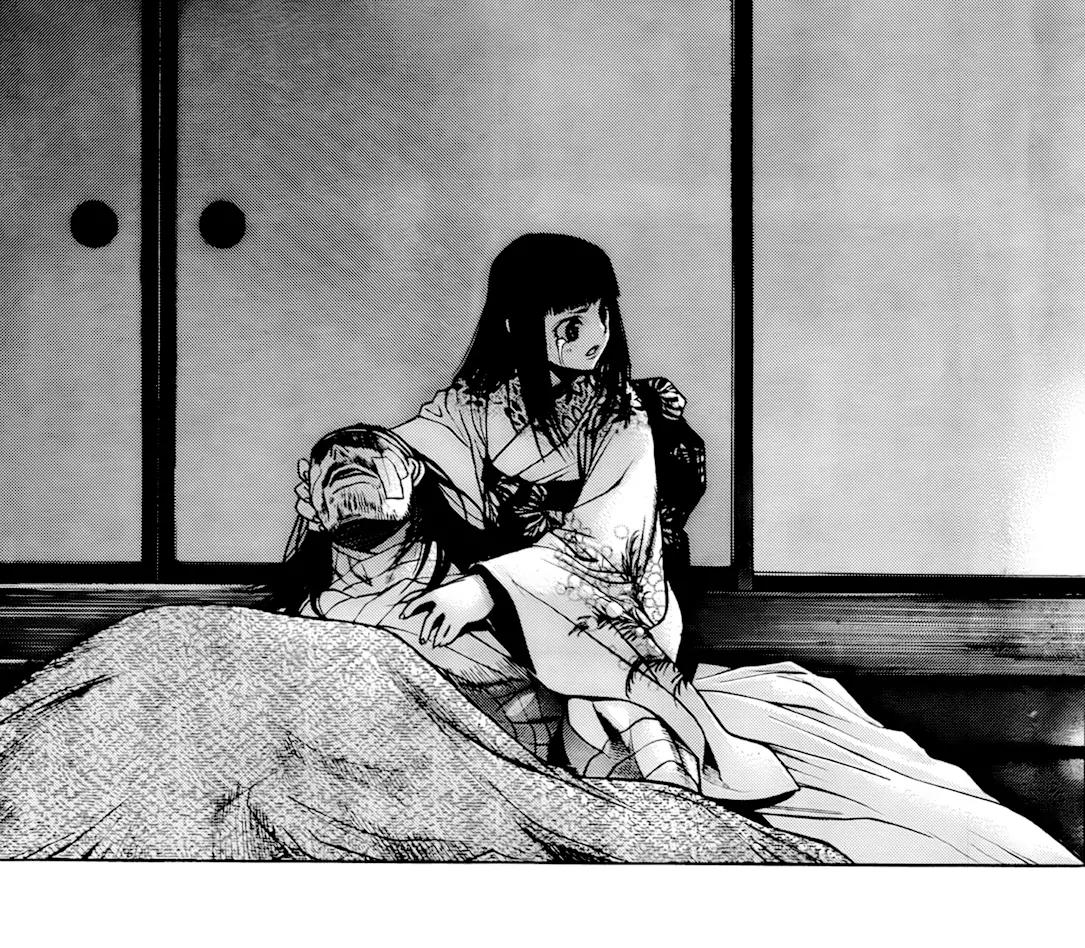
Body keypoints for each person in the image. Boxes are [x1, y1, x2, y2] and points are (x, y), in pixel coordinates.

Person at [273, 233, 1078, 864]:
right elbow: (412, 451)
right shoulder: (474, 407)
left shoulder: (620, 418)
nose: (591, 336)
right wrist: (362, 469)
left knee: (605, 706)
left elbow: (605, 538)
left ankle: (677, 793)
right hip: (512, 612)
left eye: (599, 315)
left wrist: (488, 585)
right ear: (517, 325)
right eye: (567, 321)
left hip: (608, 605)